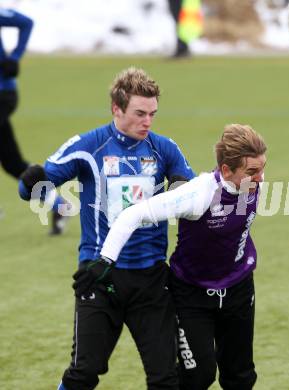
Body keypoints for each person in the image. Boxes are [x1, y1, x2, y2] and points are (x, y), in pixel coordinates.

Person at [18, 67, 195, 389]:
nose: (148, 122)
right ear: (117, 108)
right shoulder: (90, 146)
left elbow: (190, 188)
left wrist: (180, 187)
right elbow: (34, 186)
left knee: (165, 378)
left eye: (153, 114)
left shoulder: (163, 148)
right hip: (100, 276)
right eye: (140, 113)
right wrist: (32, 182)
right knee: (83, 374)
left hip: (151, 279)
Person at [100, 124, 267, 390]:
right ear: (226, 170)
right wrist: (104, 260)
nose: (260, 178)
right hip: (192, 295)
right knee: (198, 375)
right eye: (252, 172)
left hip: (238, 289)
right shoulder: (198, 194)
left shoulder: (254, 184)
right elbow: (133, 214)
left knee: (241, 376)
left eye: (262, 168)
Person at [1, 7, 67, 234]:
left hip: (2, 93)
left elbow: (26, 22)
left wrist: (15, 56)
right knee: (12, 163)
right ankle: (58, 205)